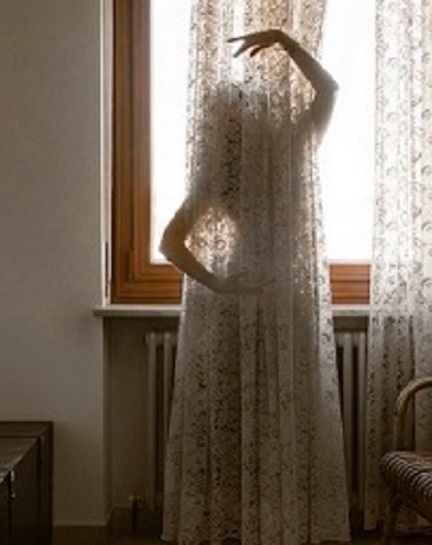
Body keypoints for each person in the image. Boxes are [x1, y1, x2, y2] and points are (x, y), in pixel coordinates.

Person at [161, 29, 350, 545]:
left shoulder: (279, 155)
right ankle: (257, 528)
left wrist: (220, 283)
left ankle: (264, 527)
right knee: (261, 421)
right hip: (270, 295)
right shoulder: (286, 152)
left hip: (269, 296)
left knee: (265, 420)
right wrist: (219, 285)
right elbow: (169, 242)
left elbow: (170, 243)